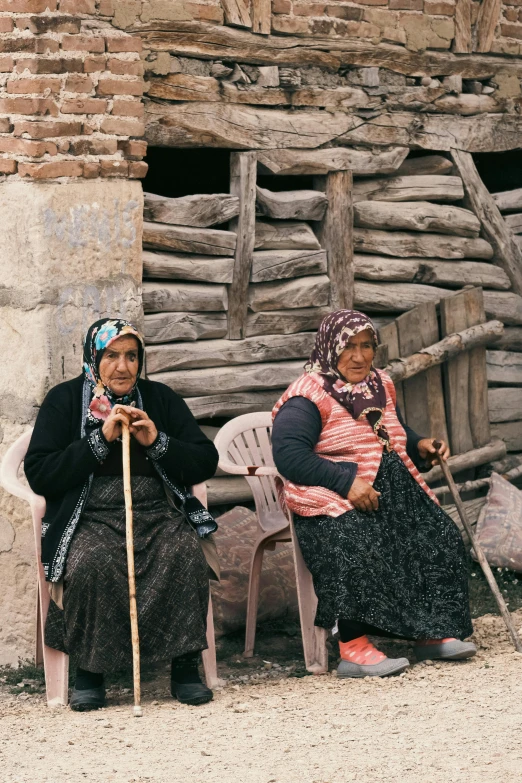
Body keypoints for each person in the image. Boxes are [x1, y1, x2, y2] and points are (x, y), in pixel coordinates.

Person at [25, 318, 219, 710]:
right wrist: (100, 440)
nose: (123, 366)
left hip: (155, 510)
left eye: (131, 356)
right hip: (89, 515)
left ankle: (183, 668)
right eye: (111, 355)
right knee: (91, 561)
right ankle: (90, 673)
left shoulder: (160, 398)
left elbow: (204, 461)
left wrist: (156, 441)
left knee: (181, 550)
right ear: (93, 358)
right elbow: (40, 472)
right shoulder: (63, 401)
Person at [272, 310, 476, 678]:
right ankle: (353, 647)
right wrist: (347, 483)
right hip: (331, 497)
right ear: (329, 348)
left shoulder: (379, 383)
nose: (359, 356)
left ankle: (430, 632)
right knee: (357, 542)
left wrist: (420, 446)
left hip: (388, 490)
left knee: (439, 535)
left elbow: (391, 432)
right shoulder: (307, 394)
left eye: (367, 346)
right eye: (348, 346)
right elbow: (289, 456)